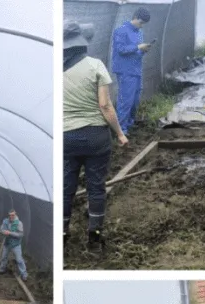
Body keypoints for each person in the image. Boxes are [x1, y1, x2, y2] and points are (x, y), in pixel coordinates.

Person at [63, 19, 128, 246]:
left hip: (66, 138)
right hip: (95, 137)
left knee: (66, 188)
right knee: (96, 187)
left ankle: (62, 234)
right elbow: (105, 105)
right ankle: (95, 236)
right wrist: (119, 133)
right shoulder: (95, 65)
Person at [110, 8, 151, 136]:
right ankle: (121, 129)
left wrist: (142, 51)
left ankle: (129, 124)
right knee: (126, 100)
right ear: (135, 17)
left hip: (135, 69)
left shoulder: (139, 32)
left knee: (135, 99)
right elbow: (121, 49)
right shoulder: (121, 30)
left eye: (144, 23)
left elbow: (135, 51)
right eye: (141, 22)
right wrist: (138, 47)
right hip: (125, 70)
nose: (142, 25)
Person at [0, 209, 27, 280]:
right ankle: (2, 270)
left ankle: (24, 274)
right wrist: (4, 232)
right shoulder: (5, 221)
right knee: (3, 257)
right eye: (10, 215)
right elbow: (1, 230)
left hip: (16, 244)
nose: (11, 216)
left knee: (19, 259)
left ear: (15, 214)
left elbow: (20, 235)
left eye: (13, 215)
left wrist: (10, 233)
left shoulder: (19, 223)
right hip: (6, 243)